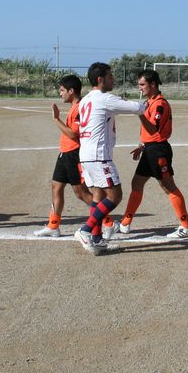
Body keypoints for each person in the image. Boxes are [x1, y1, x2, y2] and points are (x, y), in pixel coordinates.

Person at [74, 62, 146, 255]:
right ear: (100, 79)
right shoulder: (104, 98)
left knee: (98, 196)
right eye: (110, 76)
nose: (113, 79)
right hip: (99, 156)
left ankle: (97, 239)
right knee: (115, 196)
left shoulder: (85, 100)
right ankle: (86, 230)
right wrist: (146, 103)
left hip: (86, 154)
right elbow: (137, 107)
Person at [33, 74, 113, 237]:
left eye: (62, 90)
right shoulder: (74, 106)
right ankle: (53, 226)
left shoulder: (81, 108)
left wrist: (56, 119)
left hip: (74, 154)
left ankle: (108, 222)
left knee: (81, 192)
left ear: (71, 91)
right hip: (65, 153)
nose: (60, 93)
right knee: (56, 186)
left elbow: (72, 134)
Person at [118, 69, 188, 238]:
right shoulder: (149, 102)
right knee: (137, 183)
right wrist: (142, 145)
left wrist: (139, 113)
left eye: (142, 84)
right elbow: (148, 132)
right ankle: (125, 223)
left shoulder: (160, 104)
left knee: (168, 187)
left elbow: (153, 129)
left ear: (152, 84)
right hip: (150, 149)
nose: (140, 88)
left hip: (159, 151)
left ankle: (186, 225)